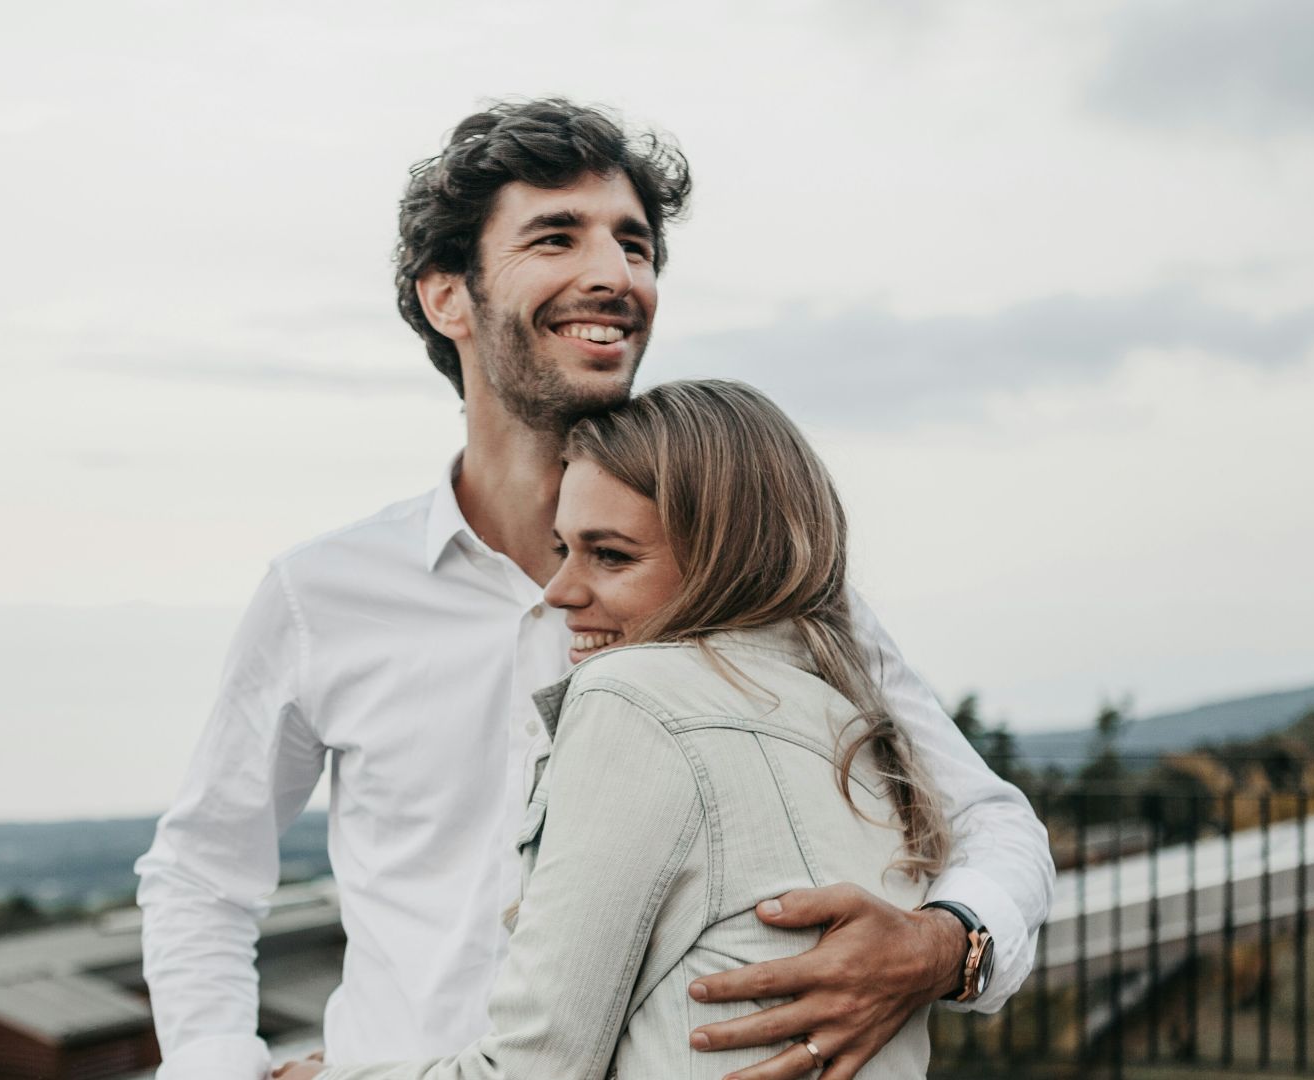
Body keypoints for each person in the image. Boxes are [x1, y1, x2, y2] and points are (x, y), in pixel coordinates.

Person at [135, 99, 1053, 1080]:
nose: (616, 275)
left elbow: (990, 823)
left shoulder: (751, 581)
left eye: (637, 245)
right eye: (556, 237)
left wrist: (944, 946)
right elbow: (202, 874)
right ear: (449, 296)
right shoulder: (325, 593)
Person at [281, 378, 952, 1080]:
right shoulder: (855, 721)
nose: (560, 593)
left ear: (726, 556)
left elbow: (531, 1072)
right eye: (562, 549)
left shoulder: (632, 698)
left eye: (611, 556)